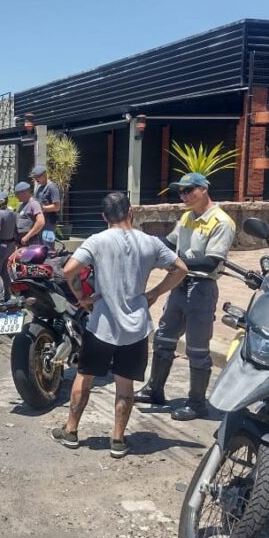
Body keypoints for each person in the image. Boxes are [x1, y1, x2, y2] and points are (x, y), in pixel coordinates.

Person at [50, 192, 188, 457]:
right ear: (131, 211)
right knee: (125, 386)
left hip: (101, 324)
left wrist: (82, 298)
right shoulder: (150, 243)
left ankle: (70, 431)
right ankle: (117, 440)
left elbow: (68, 271)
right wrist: (154, 293)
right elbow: (181, 268)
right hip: (135, 328)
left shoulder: (97, 241)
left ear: (104, 217)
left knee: (84, 377)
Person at [136, 172, 236, 421]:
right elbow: (169, 244)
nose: (184, 196)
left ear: (204, 189)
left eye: (189, 190)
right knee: (163, 339)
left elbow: (212, 262)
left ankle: (197, 403)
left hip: (201, 289)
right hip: (179, 285)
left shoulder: (221, 221)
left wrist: (175, 263)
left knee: (197, 348)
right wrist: (143, 245)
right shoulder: (186, 217)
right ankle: (154, 390)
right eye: (181, 191)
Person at [30, 164, 61, 249]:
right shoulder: (39, 188)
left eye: (38, 177)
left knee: (48, 247)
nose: (36, 180)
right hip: (40, 222)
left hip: (49, 223)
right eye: (35, 178)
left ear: (44, 175)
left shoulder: (52, 187)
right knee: (40, 247)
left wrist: (43, 208)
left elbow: (57, 207)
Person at [14, 181, 45, 247]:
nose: (16, 196)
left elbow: (41, 222)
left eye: (17, 194)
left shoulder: (33, 204)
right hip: (22, 242)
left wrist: (27, 236)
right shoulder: (22, 205)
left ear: (24, 192)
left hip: (31, 242)